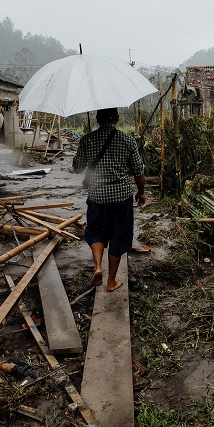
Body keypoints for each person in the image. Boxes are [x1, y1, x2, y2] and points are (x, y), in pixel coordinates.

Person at [72, 107, 145, 292]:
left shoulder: (87, 140)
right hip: (121, 197)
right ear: (117, 119)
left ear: (97, 119)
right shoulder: (127, 139)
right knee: (118, 236)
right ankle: (111, 281)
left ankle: (97, 267)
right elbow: (138, 171)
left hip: (97, 196)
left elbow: (78, 168)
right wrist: (141, 192)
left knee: (96, 232)